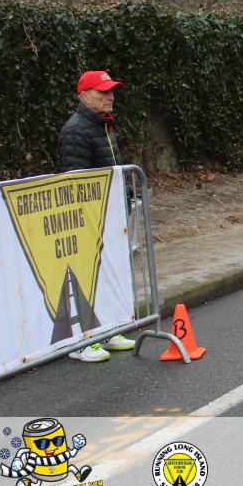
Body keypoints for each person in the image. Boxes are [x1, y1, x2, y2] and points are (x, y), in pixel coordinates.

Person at [58, 70, 136, 362]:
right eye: (103, 92)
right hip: (89, 217)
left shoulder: (103, 125)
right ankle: (80, 342)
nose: (110, 96)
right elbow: (76, 179)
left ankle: (107, 329)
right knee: (84, 277)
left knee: (107, 274)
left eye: (111, 91)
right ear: (84, 96)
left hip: (109, 214)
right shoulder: (75, 130)